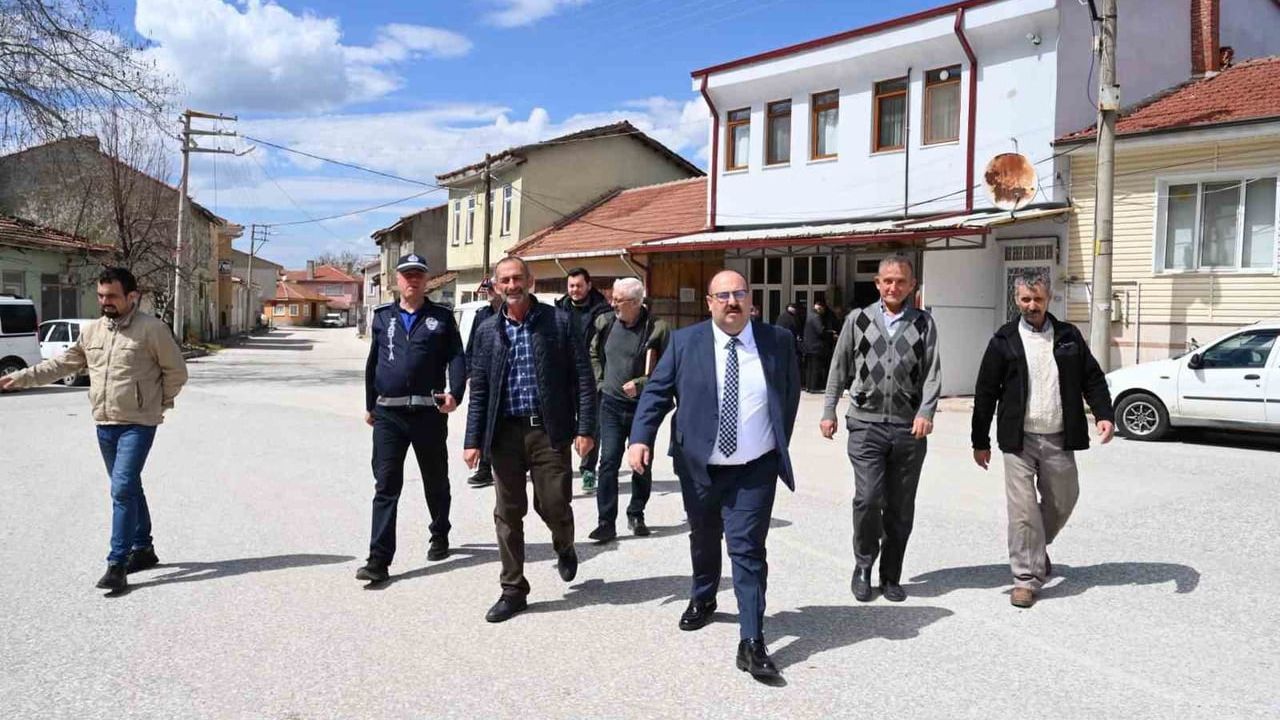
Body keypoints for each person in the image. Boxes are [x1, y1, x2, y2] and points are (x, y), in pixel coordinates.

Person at [628, 270, 800, 682]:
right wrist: (640, 438)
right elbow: (656, 392)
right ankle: (703, 597)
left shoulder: (777, 341)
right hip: (699, 465)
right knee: (704, 536)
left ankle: (752, 640)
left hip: (755, 468)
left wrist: (772, 443)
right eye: (722, 295)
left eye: (739, 293)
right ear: (709, 302)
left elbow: (789, 396)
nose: (731, 302)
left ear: (751, 299)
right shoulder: (686, 342)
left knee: (747, 549)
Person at [1, 267, 188, 593]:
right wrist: (19, 379)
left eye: (112, 296)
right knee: (128, 487)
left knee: (121, 489)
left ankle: (117, 564)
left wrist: (158, 404)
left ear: (132, 296)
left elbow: (177, 372)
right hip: (104, 422)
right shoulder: (92, 332)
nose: (105, 302)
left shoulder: (152, 330)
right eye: (101, 296)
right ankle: (143, 548)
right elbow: (62, 365)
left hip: (138, 424)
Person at [464, 257, 596, 623]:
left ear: (531, 281)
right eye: (504, 280)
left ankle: (564, 543)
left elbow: (583, 379)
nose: (511, 285)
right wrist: (472, 439)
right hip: (503, 433)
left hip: (547, 431)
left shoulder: (559, 323)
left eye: (517, 278)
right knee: (507, 512)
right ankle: (513, 589)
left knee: (553, 503)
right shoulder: (488, 330)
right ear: (496, 285)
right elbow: (480, 390)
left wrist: (585, 429)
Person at [971, 271, 1114, 608]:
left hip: (1059, 436)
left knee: (1065, 498)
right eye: (1025, 299)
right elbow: (985, 392)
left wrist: (1104, 413)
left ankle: (1034, 548)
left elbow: (1091, 378)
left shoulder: (1068, 336)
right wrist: (980, 441)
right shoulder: (1003, 340)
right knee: (1022, 513)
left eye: (1037, 299)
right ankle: (1026, 578)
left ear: (1049, 299)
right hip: (1018, 440)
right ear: (1016, 300)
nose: (1031, 305)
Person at [820, 255, 940, 603]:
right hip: (865, 426)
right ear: (877, 284)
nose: (893, 287)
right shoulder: (858, 320)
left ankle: (891, 575)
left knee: (901, 507)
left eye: (901, 281)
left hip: (908, 430)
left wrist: (926, 411)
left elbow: (933, 372)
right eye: (887, 281)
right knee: (868, 498)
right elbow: (838, 367)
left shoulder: (924, 323)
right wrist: (829, 410)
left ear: (912, 286)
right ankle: (863, 564)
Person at [357, 254, 466, 584]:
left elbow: (457, 358)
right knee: (386, 485)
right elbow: (373, 364)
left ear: (426, 281)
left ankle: (440, 533)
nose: (412, 280)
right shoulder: (382, 318)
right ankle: (378, 559)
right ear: (396, 280)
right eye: (406, 275)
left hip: (428, 414)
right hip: (389, 413)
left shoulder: (442, 319)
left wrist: (456, 393)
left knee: (436, 479)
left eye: (418, 275)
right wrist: (370, 405)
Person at [586, 277, 671, 542]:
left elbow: (669, 370)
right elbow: (593, 354)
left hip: (642, 410)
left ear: (636, 303)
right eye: (612, 298)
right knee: (608, 462)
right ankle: (605, 522)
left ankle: (636, 513)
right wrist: (600, 382)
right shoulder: (606, 323)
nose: (612, 304)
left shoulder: (658, 329)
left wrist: (641, 383)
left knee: (640, 464)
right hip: (610, 405)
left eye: (618, 301)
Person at [556, 267, 610, 493]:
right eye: (571, 286)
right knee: (564, 421)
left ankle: (588, 470)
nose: (575, 290)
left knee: (590, 425)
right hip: (566, 375)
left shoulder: (603, 312)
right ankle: (563, 470)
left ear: (588, 285)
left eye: (579, 285)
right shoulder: (560, 309)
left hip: (592, 376)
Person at [465, 278, 503, 489]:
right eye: (486, 288)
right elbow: (471, 347)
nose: (488, 292)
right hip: (484, 377)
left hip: (504, 378)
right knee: (482, 422)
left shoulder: (511, 313)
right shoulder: (482, 315)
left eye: (492, 288)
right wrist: (469, 372)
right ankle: (485, 468)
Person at [802, 300, 836, 393]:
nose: (823, 312)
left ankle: (808, 386)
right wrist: (830, 334)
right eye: (823, 310)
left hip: (808, 346)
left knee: (809, 368)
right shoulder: (816, 317)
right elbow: (820, 331)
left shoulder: (809, 315)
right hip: (815, 346)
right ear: (820, 308)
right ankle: (813, 387)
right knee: (815, 367)